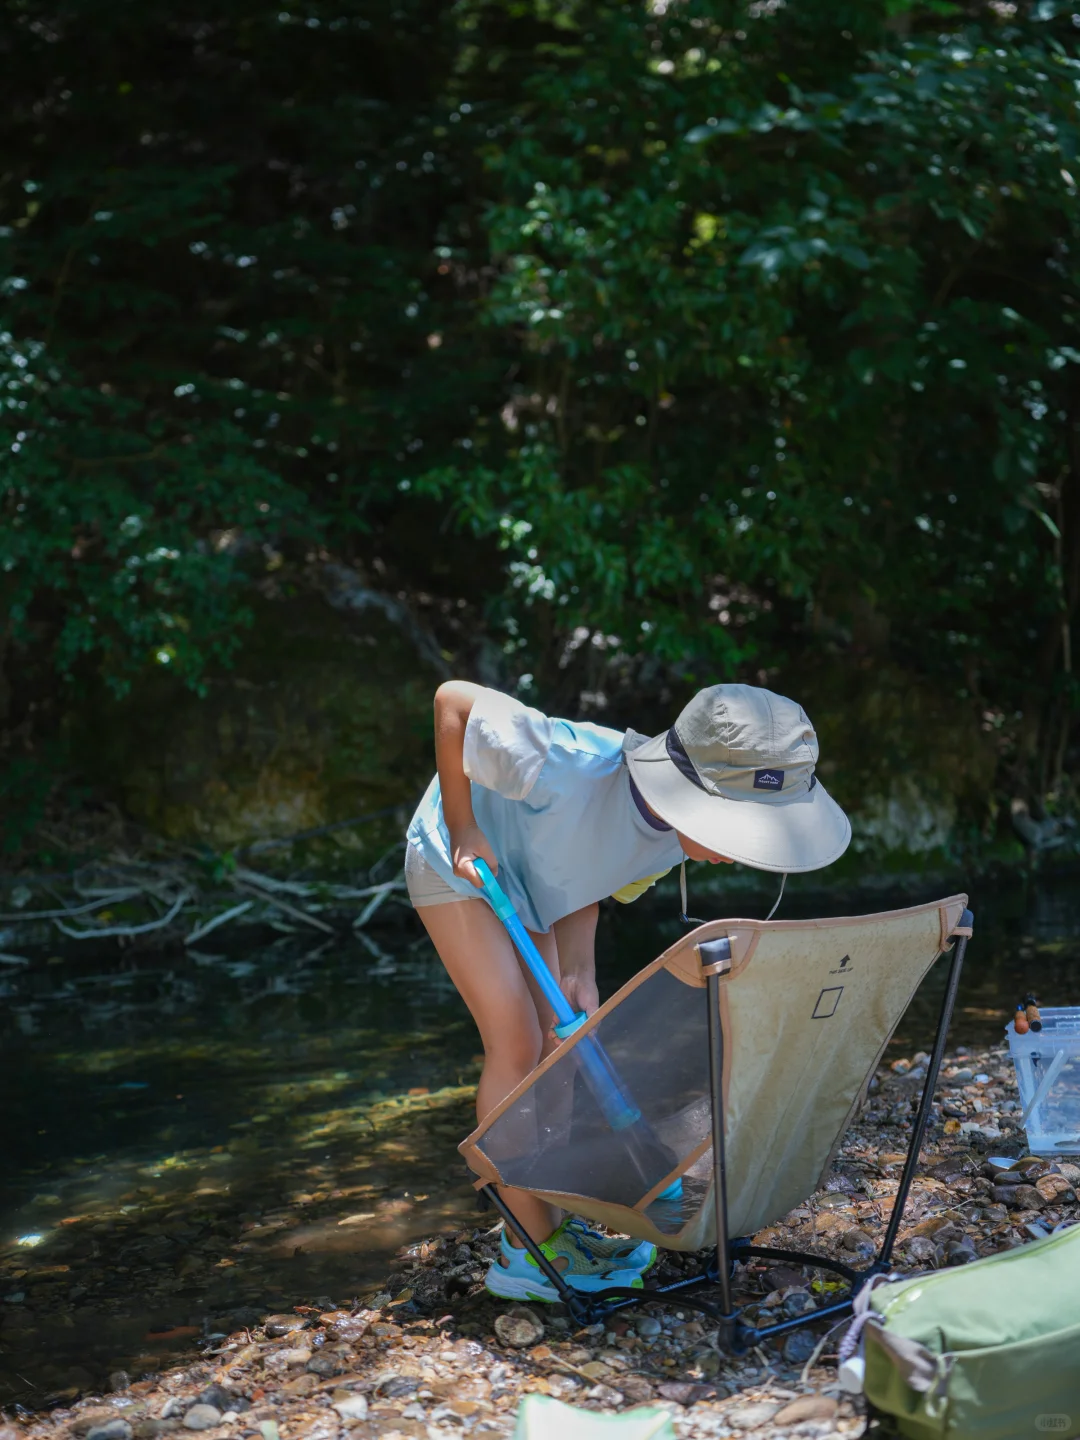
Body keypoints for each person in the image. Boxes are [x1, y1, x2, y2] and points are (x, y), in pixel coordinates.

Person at [405, 679, 851, 1301]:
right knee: (517, 1040)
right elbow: (452, 701)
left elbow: (582, 869)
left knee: (561, 1048)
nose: (738, 851)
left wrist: (579, 972)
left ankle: (551, 1227)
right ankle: (524, 1254)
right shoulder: (564, 762)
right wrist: (462, 827)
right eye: (739, 825)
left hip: (535, 884)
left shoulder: (670, 841)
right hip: (461, 865)